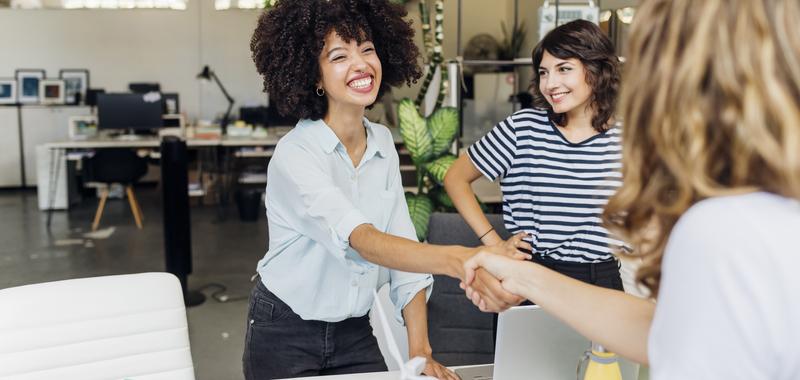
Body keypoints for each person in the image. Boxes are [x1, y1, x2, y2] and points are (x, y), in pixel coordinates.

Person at [463, 0, 800, 378]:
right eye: (544, 72)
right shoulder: (743, 219)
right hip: (535, 270)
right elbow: (667, 335)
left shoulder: (716, 227)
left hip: (599, 273)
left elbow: (674, 341)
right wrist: (508, 261)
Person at [245, 1, 523, 379]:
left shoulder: (381, 143)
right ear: (314, 76)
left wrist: (421, 354)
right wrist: (459, 259)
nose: (361, 64)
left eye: (368, 49)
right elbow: (363, 239)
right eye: (339, 55)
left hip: (353, 331)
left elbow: (402, 250)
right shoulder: (295, 155)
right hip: (284, 329)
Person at [444, 19, 626, 311]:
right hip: (529, 278)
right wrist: (492, 242)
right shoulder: (523, 128)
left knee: (603, 360)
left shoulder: (626, 139)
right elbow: (455, 177)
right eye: (544, 72)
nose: (550, 84)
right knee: (525, 359)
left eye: (564, 69)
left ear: (597, 70)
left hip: (600, 281)